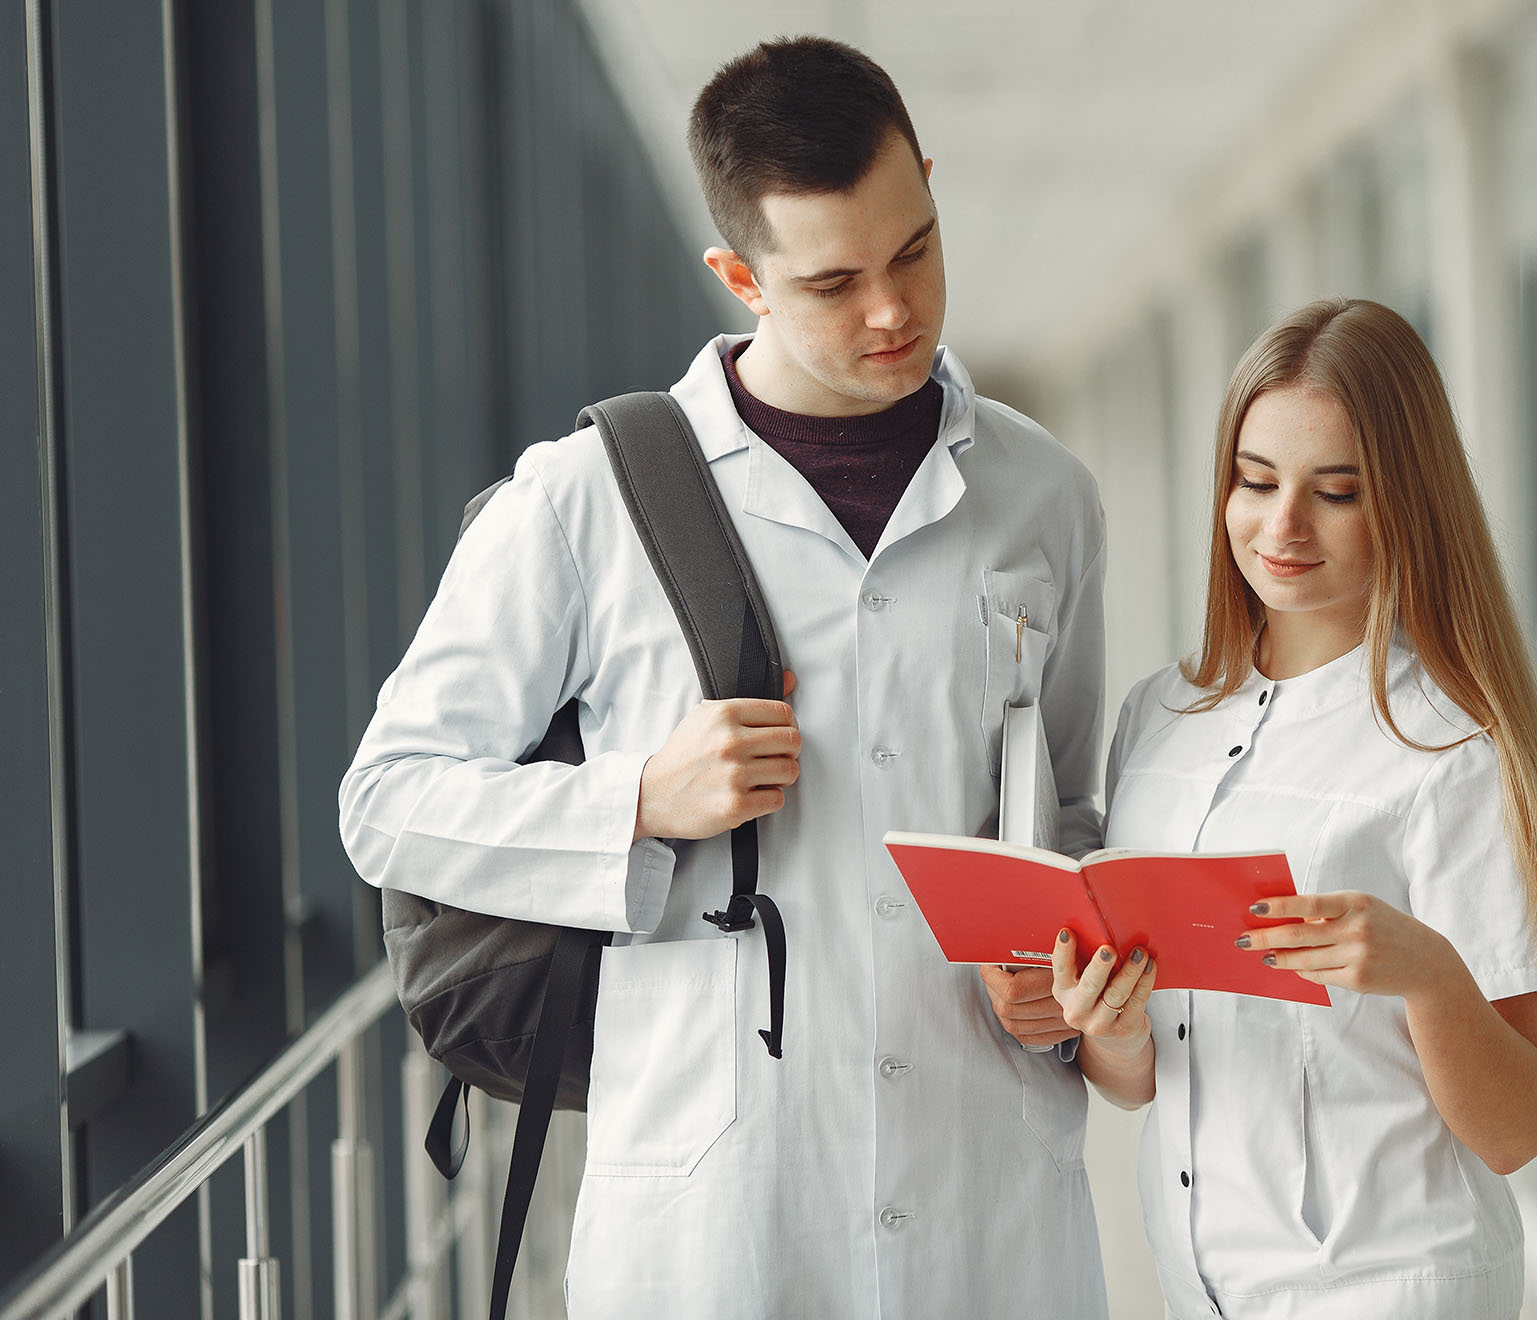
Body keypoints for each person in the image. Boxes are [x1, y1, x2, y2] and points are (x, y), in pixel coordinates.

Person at [338, 37, 1108, 1317]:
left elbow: (1071, 815)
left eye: (913, 249)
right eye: (833, 281)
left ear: (927, 179)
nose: (892, 312)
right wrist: (636, 796)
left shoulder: (1044, 498)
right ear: (740, 276)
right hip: (716, 1221)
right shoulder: (586, 502)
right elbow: (388, 800)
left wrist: (1063, 982)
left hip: (990, 1192)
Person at [1052, 298, 1537, 1319]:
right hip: (1199, 1282)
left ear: (1404, 503)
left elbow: (1516, 1129)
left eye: (1335, 492)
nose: (1283, 526)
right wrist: (1111, 1029)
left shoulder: (1450, 749)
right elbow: (1143, 1079)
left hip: (1385, 1286)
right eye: (1256, 482)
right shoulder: (1157, 720)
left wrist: (1429, 974)